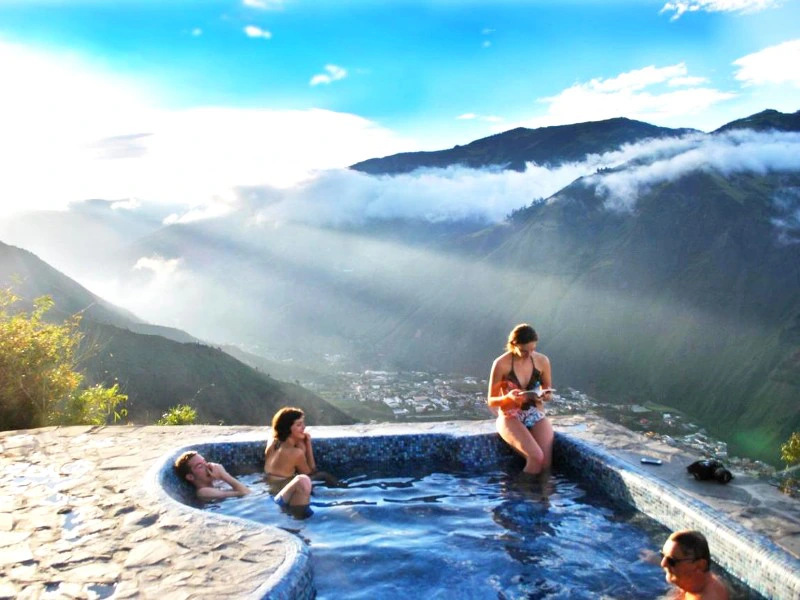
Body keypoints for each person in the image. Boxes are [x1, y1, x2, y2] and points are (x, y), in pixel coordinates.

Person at [487, 323, 555, 475]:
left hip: (535, 414)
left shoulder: (542, 361)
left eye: (532, 349)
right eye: (524, 351)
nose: (529, 354)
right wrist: (508, 397)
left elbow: (548, 392)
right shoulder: (501, 364)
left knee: (545, 463)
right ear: (513, 345)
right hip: (510, 416)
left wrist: (545, 395)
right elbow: (491, 400)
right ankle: (522, 494)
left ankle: (544, 497)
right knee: (536, 457)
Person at [264, 406, 317, 517]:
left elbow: (275, 432)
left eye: (303, 423)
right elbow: (310, 472)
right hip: (281, 492)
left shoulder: (273, 444)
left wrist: (297, 440)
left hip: (268, 488)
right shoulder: (295, 453)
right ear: (287, 428)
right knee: (322, 477)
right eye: (298, 425)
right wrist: (308, 444)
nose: (303, 427)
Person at [660, 530, 730, 600]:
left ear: (699, 566)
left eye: (671, 561)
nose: (663, 564)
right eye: (662, 555)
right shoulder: (694, 584)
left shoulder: (709, 597)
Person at [174, 450, 251, 501]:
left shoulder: (215, 482)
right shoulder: (203, 491)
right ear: (190, 477)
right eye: (200, 466)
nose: (207, 466)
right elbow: (245, 492)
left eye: (205, 462)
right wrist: (224, 475)